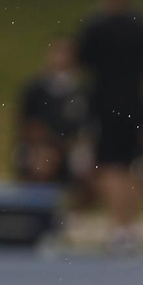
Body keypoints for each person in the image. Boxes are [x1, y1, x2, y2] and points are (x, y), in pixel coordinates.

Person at [75, 0, 143, 252]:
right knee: (133, 166)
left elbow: (82, 65)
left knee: (112, 167)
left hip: (105, 105)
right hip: (137, 104)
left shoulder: (95, 26)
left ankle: (118, 226)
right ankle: (130, 226)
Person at [14, 37, 90, 190]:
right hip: (41, 147)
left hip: (72, 148)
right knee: (44, 161)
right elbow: (30, 127)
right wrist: (56, 145)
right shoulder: (36, 89)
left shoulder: (82, 92)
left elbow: (86, 128)